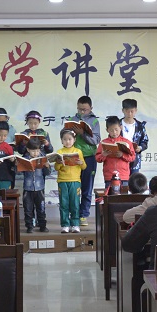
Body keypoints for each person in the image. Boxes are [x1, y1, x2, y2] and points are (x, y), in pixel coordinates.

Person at [70, 96, 102, 226]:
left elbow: (96, 140)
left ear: (91, 108)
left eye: (85, 109)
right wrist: (71, 134)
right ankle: (74, 214)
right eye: (80, 109)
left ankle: (83, 215)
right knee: (73, 187)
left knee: (87, 188)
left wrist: (82, 134)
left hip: (89, 157)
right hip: (74, 156)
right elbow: (65, 138)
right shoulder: (72, 120)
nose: (82, 112)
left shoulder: (94, 121)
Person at [54, 129, 87, 234]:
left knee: (75, 203)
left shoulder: (78, 151)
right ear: (61, 141)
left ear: (74, 140)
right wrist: (59, 162)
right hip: (62, 181)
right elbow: (56, 168)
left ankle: (75, 224)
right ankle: (65, 225)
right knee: (64, 204)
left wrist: (81, 163)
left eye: (69, 139)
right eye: (65, 139)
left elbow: (84, 167)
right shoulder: (60, 152)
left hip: (75, 181)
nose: (67, 141)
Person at [95, 116, 135, 189]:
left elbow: (132, 157)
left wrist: (122, 155)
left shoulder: (127, 142)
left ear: (121, 127)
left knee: (124, 195)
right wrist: (103, 155)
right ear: (107, 130)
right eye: (111, 130)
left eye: (116, 129)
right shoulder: (103, 143)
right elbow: (97, 158)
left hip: (123, 176)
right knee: (110, 195)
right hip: (109, 176)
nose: (114, 132)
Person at [21, 138, 51, 233]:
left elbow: (47, 173)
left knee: (41, 208)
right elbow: (18, 172)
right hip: (28, 188)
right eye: (33, 151)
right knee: (28, 209)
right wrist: (16, 164)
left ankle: (42, 226)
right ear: (28, 149)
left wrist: (47, 167)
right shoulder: (24, 159)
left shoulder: (42, 158)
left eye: (37, 151)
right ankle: (29, 226)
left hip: (39, 188)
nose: (36, 153)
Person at [120, 98, 149, 173]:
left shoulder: (140, 126)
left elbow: (145, 141)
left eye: (132, 111)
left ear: (136, 110)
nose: (129, 114)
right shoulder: (118, 125)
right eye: (127, 111)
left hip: (135, 161)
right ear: (123, 110)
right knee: (122, 179)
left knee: (134, 179)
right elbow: (111, 139)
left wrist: (140, 148)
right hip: (120, 159)